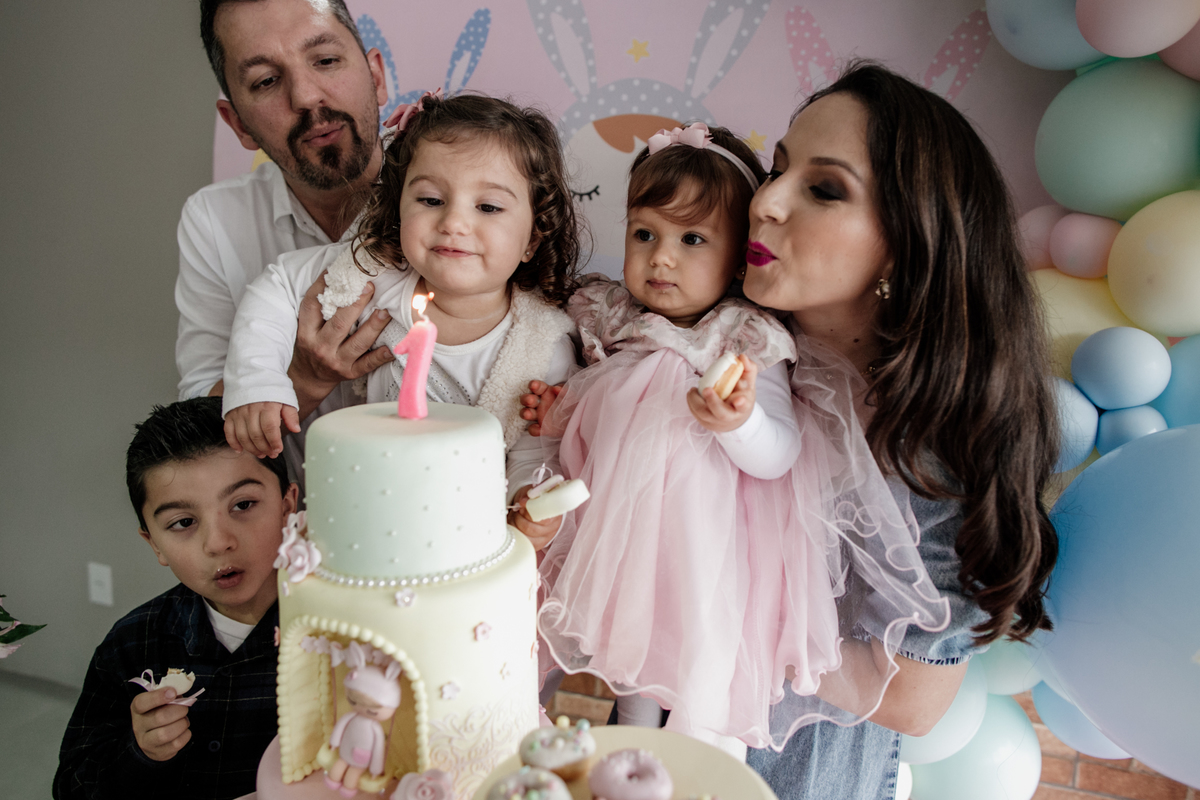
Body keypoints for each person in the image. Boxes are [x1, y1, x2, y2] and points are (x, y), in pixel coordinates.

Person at [532, 122, 946, 760]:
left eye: (692, 239)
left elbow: (781, 451)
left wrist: (738, 421)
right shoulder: (611, 320)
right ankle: (632, 752)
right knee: (627, 657)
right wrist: (559, 409)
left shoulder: (741, 338)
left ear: (735, 255)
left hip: (705, 550)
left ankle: (707, 753)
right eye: (645, 235)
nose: (660, 257)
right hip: (617, 540)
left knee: (702, 658)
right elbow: (598, 412)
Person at [741, 62, 1059, 799]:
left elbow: (916, 700)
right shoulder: (724, 357)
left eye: (823, 189)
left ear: (904, 242)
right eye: (778, 169)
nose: (766, 203)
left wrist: (717, 613)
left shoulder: (929, 446)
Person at [219, 92, 582, 538]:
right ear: (398, 206)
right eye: (431, 199)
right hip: (362, 529)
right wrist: (257, 380)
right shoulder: (372, 277)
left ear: (533, 236)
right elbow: (277, 285)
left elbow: (535, 452)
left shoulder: (542, 348)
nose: (454, 222)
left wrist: (529, 499)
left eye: (487, 207)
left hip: (457, 544)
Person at [178, 0, 398, 487]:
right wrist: (305, 377)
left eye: (324, 60)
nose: (305, 96)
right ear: (237, 123)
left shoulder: (463, 202)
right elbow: (196, 433)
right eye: (265, 81)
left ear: (377, 76)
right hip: (300, 540)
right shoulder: (215, 221)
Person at [54, 397, 299, 800]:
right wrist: (140, 752)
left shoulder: (336, 634)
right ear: (155, 545)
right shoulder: (133, 644)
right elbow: (71, 788)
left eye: (243, 505)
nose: (218, 542)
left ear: (288, 507)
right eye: (183, 523)